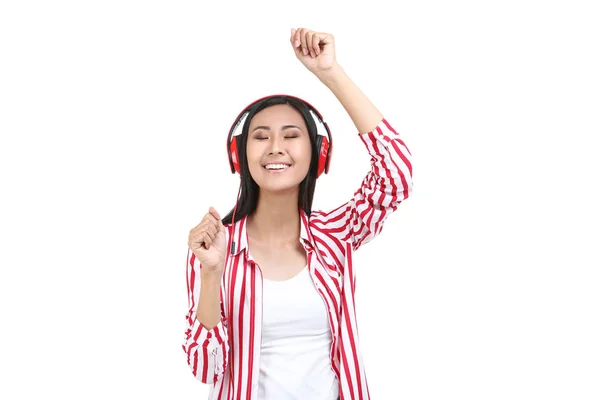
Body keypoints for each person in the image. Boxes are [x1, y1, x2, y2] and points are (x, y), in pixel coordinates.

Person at [183, 27, 413, 400]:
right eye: (260, 137)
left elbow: (397, 172)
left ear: (317, 154)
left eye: (291, 135)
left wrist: (330, 73)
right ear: (239, 156)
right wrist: (212, 272)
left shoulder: (336, 234)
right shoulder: (216, 247)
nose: (275, 147)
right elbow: (205, 367)